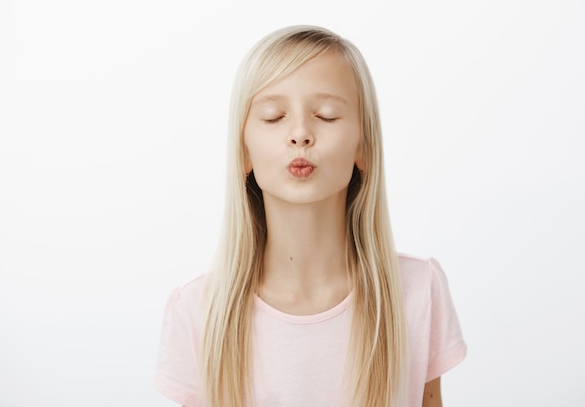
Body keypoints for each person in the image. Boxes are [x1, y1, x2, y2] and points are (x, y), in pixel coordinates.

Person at [154, 25, 466, 407]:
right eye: (273, 117)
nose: (300, 133)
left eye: (327, 115)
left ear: (363, 147)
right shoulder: (198, 310)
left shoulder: (419, 292)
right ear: (244, 153)